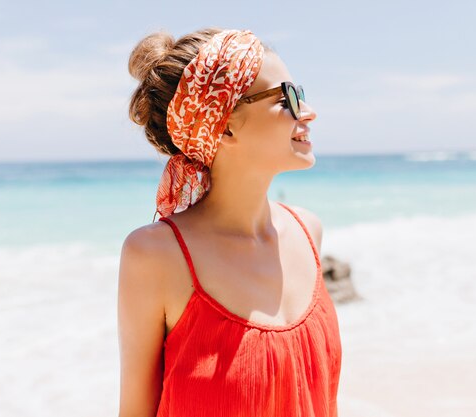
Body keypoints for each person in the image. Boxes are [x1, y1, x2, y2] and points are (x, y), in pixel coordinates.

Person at [118, 27, 342, 417]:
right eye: (287, 97)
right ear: (225, 124)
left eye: (300, 92)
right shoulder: (156, 255)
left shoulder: (308, 232)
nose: (307, 110)